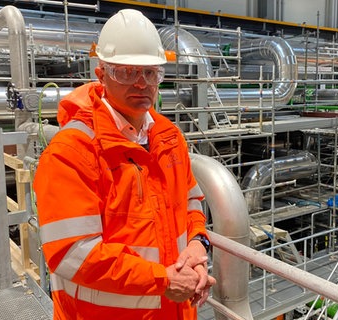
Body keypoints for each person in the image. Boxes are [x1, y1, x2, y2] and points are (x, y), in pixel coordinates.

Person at [34, 9, 215, 320]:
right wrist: (164, 279)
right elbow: (72, 254)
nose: (141, 84)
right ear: (101, 75)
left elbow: (191, 200)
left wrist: (198, 248)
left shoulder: (169, 138)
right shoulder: (72, 153)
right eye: (126, 72)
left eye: (150, 73)